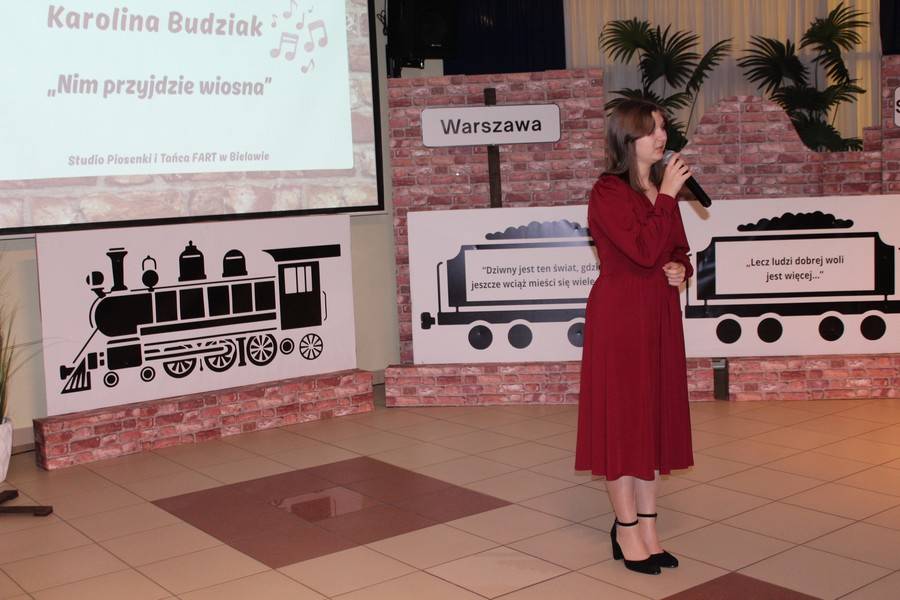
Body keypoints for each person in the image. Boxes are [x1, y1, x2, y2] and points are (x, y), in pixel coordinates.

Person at [574, 99, 695, 576]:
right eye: (650, 130)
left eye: (662, 127)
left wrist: (680, 269)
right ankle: (626, 530)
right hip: (621, 317)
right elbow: (643, 250)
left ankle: (649, 528)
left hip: (658, 315)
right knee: (625, 425)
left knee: (651, 425)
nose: (661, 137)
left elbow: (674, 249)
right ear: (627, 139)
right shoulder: (608, 191)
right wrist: (667, 196)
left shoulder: (661, 191)